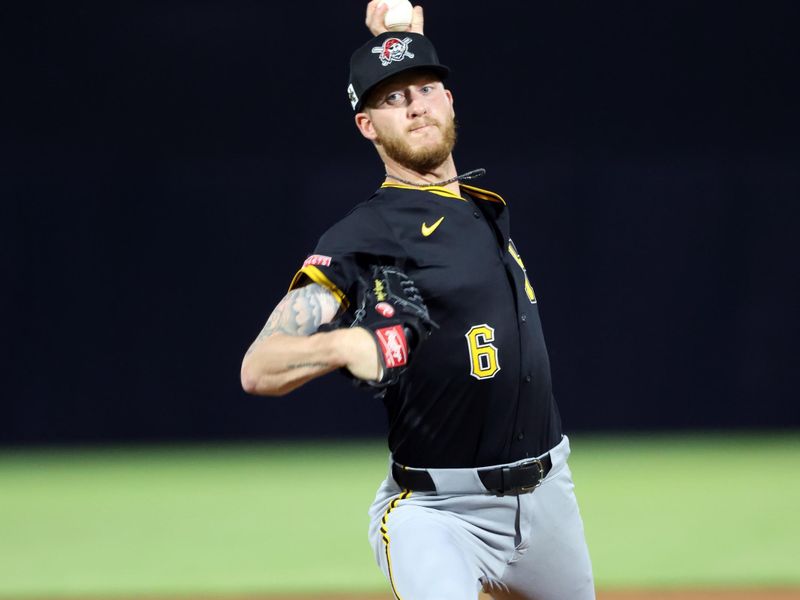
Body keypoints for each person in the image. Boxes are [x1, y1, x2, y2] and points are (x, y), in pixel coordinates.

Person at [241, 2, 595, 598]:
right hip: (437, 511)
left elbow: (411, 80)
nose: (415, 104)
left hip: (549, 493)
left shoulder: (479, 204)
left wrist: (398, 43)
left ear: (451, 100)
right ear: (367, 126)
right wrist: (345, 342)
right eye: (392, 99)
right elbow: (258, 366)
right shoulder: (365, 234)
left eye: (426, 89)